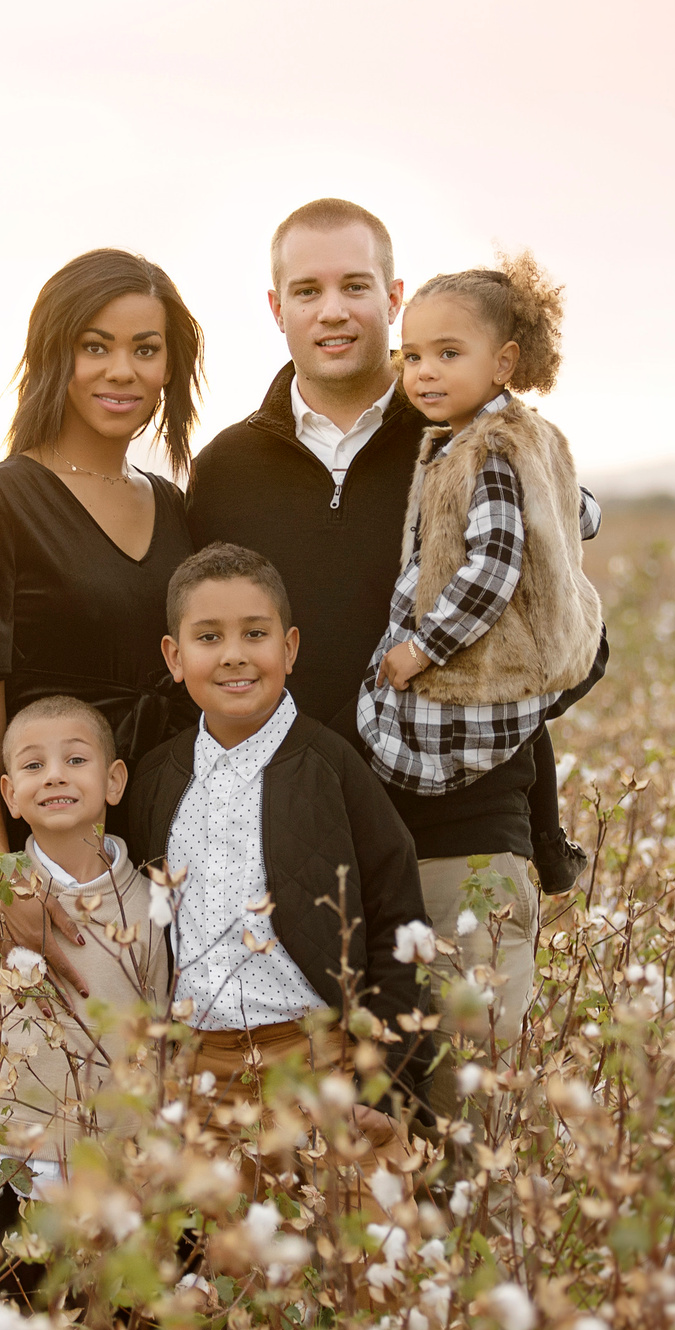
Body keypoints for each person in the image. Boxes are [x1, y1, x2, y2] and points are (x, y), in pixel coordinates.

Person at [183, 199, 597, 1087]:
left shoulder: (477, 436)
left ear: (394, 295)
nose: (332, 310)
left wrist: (473, 707)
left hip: (459, 838)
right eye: (308, 289)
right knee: (310, 1167)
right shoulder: (223, 471)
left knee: (459, 1139)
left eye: (355, 287)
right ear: (276, 307)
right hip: (290, 854)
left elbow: (568, 636)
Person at [0, 248, 203, 986]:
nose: (122, 371)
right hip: (47, 870)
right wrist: (5, 882)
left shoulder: (175, 509)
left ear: (170, 366)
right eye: (95, 346)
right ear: (56, 356)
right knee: (38, 1091)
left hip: (165, 867)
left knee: (162, 1093)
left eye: (145, 349)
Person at [118, 543, 432, 1155]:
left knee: (359, 1245)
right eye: (208, 638)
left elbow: (399, 921)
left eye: (254, 634)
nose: (234, 655)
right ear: (174, 657)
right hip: (199, 1070)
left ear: (288, 648)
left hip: (323, 1058)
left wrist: (386, 1083)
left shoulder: (333, 767)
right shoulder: (158, 778)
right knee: (223, 1247)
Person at [357, 250, 603, 797]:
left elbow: (492, 568)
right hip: (524, 668)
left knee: (390, 743)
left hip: (481, 670)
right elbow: (582, 513)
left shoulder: (487, 451)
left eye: (448, 353)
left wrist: (423, 648)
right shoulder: (531, 436)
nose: (425, 372)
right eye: (413, 356)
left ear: (503, 363)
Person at [0, 696, 167, 1191]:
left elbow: (163, 1036)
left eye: (76, 760)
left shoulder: (148, 905)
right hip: (2, 1158)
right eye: (34, 765)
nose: (55, 775)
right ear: (10, 795)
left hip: (112, 1166)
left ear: (115, 781)